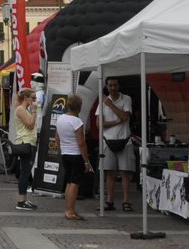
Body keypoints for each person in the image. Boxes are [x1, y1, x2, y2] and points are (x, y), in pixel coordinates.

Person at [98, 77, 136, 212]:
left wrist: (110, 105)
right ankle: (109, 200)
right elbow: (99, 124)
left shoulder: (126, 99)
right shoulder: (102, 102)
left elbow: (125, 117)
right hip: (108, 141)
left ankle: (126, 201)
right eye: (110, 86)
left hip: (124, 140)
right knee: (109, 173)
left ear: (118, 85)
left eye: (114, 85)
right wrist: (116, 122)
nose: (112, 88)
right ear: (107, 86)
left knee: (125, 173)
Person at [55, 93, 91, 221]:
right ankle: (70, 211)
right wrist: (86, 161)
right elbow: (81, 143)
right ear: (79, 107)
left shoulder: (60, 119)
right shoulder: (77, 121)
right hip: (76, 154)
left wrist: (62, 149)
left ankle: (69, 209)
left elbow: (57, 138)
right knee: (74, 183)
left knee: (69, 182)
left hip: (65, 154)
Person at [12, 88, 40, 211]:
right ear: (26, 98)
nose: (35, 101)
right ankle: (21, 200)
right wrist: (34, 111)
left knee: (26, 171)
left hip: (30, 142)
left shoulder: (24, 109)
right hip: (26, 142)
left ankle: (24, 199)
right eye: (33, 98)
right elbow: (30, 124)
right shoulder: (20, 109)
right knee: (25, 172)